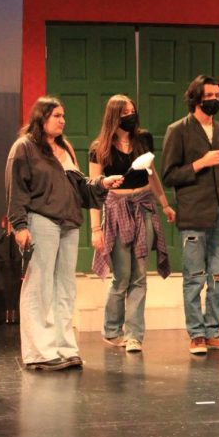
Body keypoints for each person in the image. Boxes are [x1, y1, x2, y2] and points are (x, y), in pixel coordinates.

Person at [6, 97, 123, 371]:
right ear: (41, 117)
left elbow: (79, 184)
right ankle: (39, 352)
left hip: (69, 223)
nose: (62, 120)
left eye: (63, 116)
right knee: (40, 284)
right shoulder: (25, 148)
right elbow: (16, 189)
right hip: (41, 219)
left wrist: (102, 183)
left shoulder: (64, 147)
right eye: (57, 115)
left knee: (65, 287)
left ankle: (63, 346)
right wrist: (19, 225)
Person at [162, 75, 219, 355]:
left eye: (217, 95)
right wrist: (199, 163)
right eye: (209, 95)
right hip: (194, 215)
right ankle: (196, 334)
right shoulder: (178, 130)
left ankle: (213, 331)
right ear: (196, 98)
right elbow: (169, 175)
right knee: (194, 277)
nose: (214, 100)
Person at [89, 95, 176, 354]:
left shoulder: (143, 139)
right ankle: (112, 330)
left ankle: (135, 335)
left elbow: (151, 174)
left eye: (132, 110)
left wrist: (164, 203)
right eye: (125, 111)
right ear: (114, 116)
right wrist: (95, 230)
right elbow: (94, 191)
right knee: (122, 276)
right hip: (116, 209)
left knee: (140, 275)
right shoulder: (99, 149)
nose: (130, 114)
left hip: (144, 206)